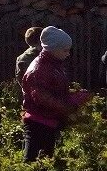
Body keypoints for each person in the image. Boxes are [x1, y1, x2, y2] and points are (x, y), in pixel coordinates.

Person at [20, 26, 91, 162]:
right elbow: (42, 98)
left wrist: (74, 96)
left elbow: (55, 91)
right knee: (31, 161)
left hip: (49, 120)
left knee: (46, 159)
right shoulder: (39, 69)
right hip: (38, 122)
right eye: (65, 50)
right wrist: (71, 105)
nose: (68, 53)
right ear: (53, 49)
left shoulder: (54, 65)